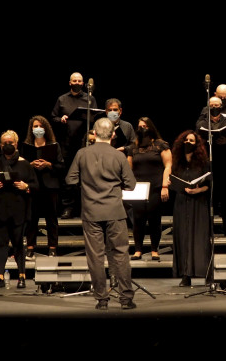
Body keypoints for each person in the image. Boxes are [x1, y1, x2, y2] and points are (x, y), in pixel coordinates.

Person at [65, 117, 137, 310]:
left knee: (95, 256)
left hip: (91, 211)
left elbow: (70, 180)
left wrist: (87, 185)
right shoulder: (119, 155)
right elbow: (131, 185)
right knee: (121, 254)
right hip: (114, 210)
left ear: (94, 134)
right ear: (113, 135)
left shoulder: (82, 153)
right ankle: (126, 299)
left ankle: (102, 300)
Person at [0, 130, 38, 290]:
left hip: (19, 211)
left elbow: (36, 186)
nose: (7, 145)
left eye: (11, 142)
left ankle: (22, 276)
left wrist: (26, 186)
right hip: (0, 210)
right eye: (4, 143)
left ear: (16, 144)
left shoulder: (25, 164)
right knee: (1, 243)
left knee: (18, 243)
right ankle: (0, 276)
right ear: (0, 145)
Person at [51, 72, 98, 219]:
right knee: (68, 177)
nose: (77, 83)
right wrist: (61, 119)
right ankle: (68, 208)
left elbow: (95, 118)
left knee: (87, 176)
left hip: (85, 144)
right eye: (74, 81)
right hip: (67, 144)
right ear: (70, 83)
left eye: (80, 81)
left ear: (83, 83)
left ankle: (86, 207)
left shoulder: (90, 99)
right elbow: (53, 117)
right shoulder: (62, 99)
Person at [170, 130, 211, 287]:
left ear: (197, 144)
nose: (188, 142)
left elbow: (209, 185)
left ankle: (206, 273)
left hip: (198, 203)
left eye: (192, 141)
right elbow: (174, 181)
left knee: (200, 238)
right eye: (186, 140)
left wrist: (197, 190)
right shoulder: (177, 161)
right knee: (183, 237)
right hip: (181, 202)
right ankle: (185, 275)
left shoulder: (203, 162)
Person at [126, 117, 172, 261]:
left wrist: (165, 186)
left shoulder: (160, 145)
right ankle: (138, 250)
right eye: (140, 126)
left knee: (154, 220)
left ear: (151, 127)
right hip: (138, 188)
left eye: (145, 126)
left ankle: (154, 250)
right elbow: (128, 169)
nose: (142, 128)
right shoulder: (133, 147)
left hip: (156, 187)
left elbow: (168, 166)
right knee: (138, 220)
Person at [196, 96, 226, 237]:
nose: (214, 108)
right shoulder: (202, 122)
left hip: (225, 163)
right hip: (208, 163)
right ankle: (208, 227)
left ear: (221, 107)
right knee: (209, 196)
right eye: (212, 105)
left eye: (217, 105)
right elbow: (195, 141)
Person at [23, 115, 64, 259]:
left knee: (51, 218)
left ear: (45, 128)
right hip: (33, 185)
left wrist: (48, 164)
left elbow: (61, 166)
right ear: (31, 129)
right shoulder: (27, 146)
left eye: (41, 126)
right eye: (35, 126)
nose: (38, 129)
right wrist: (30, 165)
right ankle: (30, 248)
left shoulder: (54, 145)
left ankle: (52, 248)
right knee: (31, 218)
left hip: (50, 185)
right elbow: (21, 167)